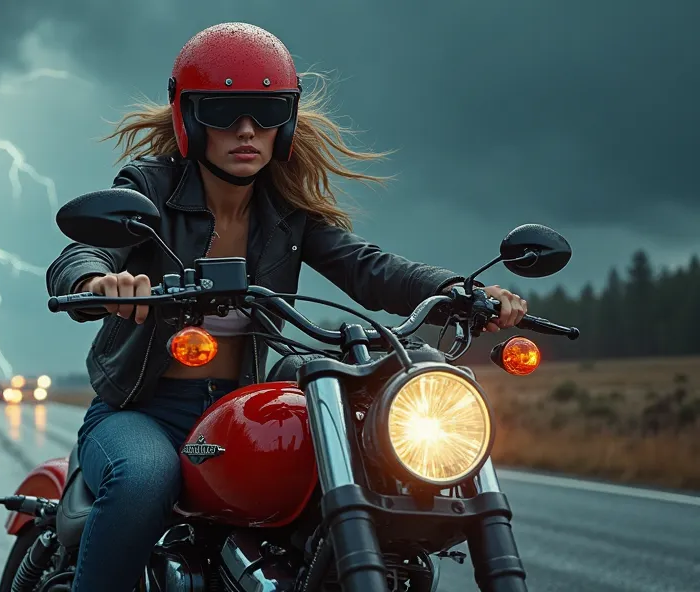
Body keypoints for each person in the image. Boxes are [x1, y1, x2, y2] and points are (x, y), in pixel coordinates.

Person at [44, 21, 529, 592]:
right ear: (190, 118)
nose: (246, 130)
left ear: (287, 121)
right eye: (225, 113)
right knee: (144, 480)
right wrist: (100, 281)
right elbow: (83, 251)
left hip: (242, 411)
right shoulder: (149, 188)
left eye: (266, 111)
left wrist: (460, 292)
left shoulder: (287, 210)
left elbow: (367, 267)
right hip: (142, 409)